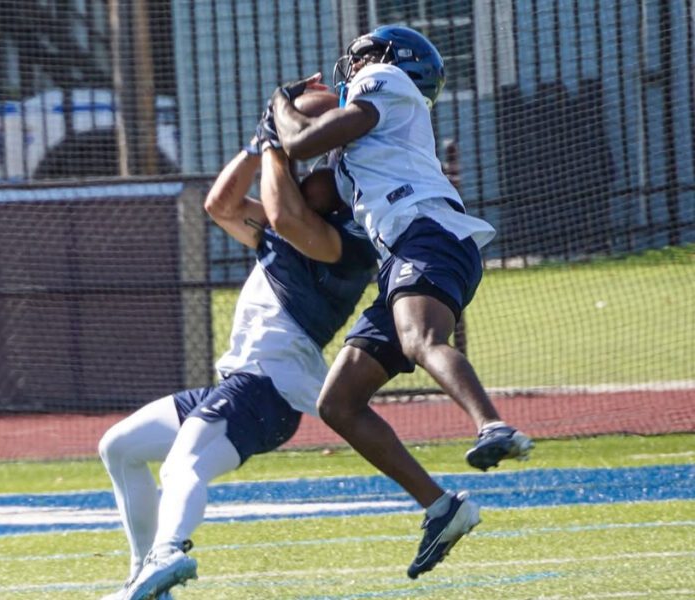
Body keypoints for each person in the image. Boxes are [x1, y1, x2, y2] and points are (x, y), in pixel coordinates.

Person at [267, 25, 534, 579]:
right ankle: (442, 508)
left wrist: (279, 106)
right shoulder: (363, 145)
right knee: (338, 403)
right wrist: (272, 143)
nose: (353, 66)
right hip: (402, 255)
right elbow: (307, 193)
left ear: (394, 58)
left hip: (428, 234)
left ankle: (493, 426)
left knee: (419, 340)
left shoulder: (387, 80)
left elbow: (299, 143)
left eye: (362, 56)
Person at [97, 122, 379, 599]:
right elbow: (220, 206)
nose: (311, 172)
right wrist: (256, 143)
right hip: (243, 382)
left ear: (343, 195)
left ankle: (167, 553)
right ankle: (146, 579)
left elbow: (286, 215)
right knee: (120, 447)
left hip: (269, 386)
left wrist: (275, 146)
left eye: (323, 170)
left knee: (181, 467)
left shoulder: (346, 243)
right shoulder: (294, 227)